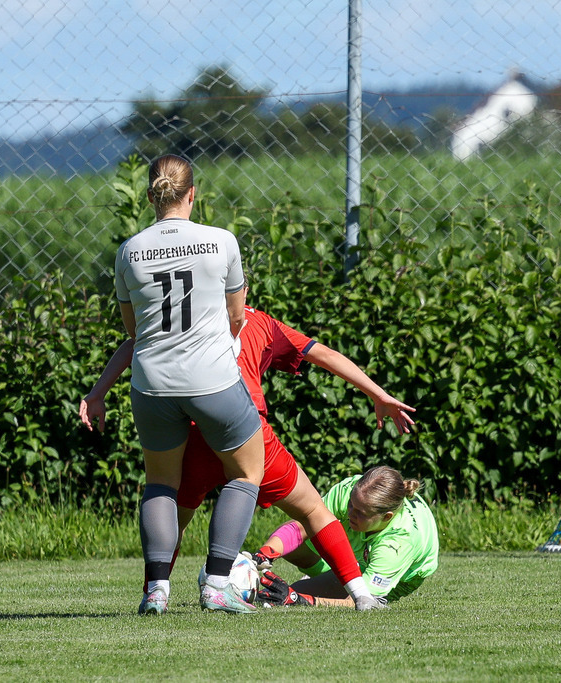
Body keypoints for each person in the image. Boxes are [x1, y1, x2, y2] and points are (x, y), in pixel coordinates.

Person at [81, 291, 416, 611]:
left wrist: (98, 392)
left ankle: (155, 592)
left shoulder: (183, 318)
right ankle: (362, 596)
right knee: (313, 510)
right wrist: (378, 394)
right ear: (241, 289)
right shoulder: (261, 321)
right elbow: (323, 354)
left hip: (196, 433)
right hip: (247, 432)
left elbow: (136, 341)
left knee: (172, 515)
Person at [110, 154, 265, 616]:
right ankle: (216, 585)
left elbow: (133, 331)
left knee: (160, 483)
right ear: (192, 194)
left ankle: (156, 591)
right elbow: (237, 316)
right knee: (246, 473)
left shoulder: (129, 251)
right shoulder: (222, 241)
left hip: (152, 383)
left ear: (150, 196)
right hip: (212, 379)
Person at [252, 465, 440, 608]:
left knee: (359, 604)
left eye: (360, 512)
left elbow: (359, 601)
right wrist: (263, 555)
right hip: (371, 540)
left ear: (386, 517)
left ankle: (330, 581)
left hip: (405, 576)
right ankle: (330, 575)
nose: (350, 513)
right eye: (351, 504)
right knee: (294, 545)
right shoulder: (349, 490)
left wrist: (299, 599)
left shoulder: (397, 545)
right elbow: (301, 527)